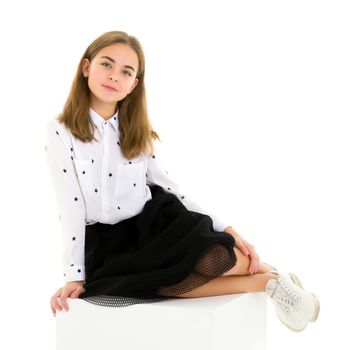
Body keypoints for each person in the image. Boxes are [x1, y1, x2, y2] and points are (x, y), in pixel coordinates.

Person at [45, 30, 320, 332]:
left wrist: (227, 228)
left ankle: (278, 283)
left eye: (126, 71)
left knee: (227, 258)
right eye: (106, 65)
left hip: (152, 226)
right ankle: (270, 283)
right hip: (108, 244)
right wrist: (74, 274)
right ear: (86, 68)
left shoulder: (137, 131)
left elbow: (171, 188)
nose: (114, 76)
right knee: (160, 287)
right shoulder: (61, 131)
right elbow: (70, 205)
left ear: (133, 85)